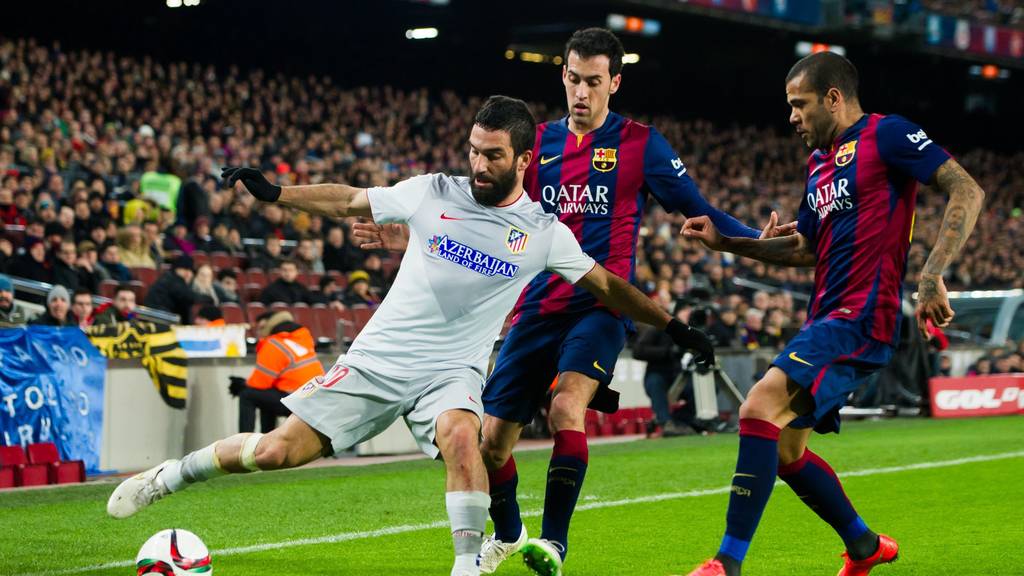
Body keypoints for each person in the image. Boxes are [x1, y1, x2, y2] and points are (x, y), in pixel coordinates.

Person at [106, 96, 714, 576]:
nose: (478, 164)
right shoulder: (432, 193)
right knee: (273, 453)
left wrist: (677, 325)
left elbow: (608, 287)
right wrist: (277, 194)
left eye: (493, 156)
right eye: (474, 150)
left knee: (461, 436)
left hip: (451, 372)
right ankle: (169, 476)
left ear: (525, 159)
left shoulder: (543, 232)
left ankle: (465, 566)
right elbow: (350, 202)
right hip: (378, 360)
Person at [353, 28, 788, 575]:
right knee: (492, 443)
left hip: (600, 304)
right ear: (563, 76)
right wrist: (409, 236)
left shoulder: (641, 144)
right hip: (535, 305)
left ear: (615, 83)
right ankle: (511, 535)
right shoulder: (535, 144)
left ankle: (554, 545)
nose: (582, 92)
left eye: (594, 82)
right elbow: (483, 212)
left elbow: (697, 209)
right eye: (574, 79)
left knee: (565, 407)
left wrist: (754, 239)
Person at [678, 52, 985, 576]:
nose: (792, 117)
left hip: (863, 315)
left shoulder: (887, 135)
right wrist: (729, 242)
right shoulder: (818, 164)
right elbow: (805, 249)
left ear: (833, 99)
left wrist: (932, 272)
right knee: (787, 452)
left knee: (757, 409)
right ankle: (865, 546)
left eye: (799, 105)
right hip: (826, 316)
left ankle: (726, 564)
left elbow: (967, 188)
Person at [229, 310, 324, 433]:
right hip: (315, 396)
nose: (259, 332)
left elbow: (260, 383)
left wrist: (242, 385)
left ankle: (244, 442)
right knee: (266, 397)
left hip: (296, 400)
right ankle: (267, 439)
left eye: (262, 327)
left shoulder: (274, 344)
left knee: (247, 395)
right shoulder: (301, 338)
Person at [144, 255, 203, 323]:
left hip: (161, 315)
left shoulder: (169, 278)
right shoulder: (171, 280)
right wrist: (207, 298)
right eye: (186, 270)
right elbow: (188, 297)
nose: (188, 274)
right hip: (159, 316)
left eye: (190, 271)